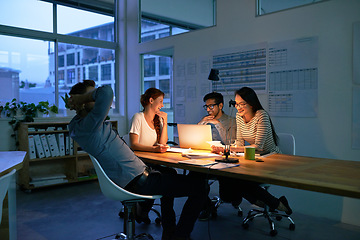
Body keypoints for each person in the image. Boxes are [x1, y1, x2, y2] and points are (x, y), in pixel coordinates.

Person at [67, 80, 208, 240]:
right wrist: (81, 99)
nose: (97, 99)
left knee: (169, 173)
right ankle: (180, 236)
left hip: (132, 178)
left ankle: (168, 232)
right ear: (83, 103)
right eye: (91, 96)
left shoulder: (78, 126)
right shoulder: (90, 125)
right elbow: (106, 92)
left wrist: (81, 100)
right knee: (200, 188)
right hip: (138, 180)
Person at [212, 87, 292, 215]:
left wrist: (229, 148)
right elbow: (239, 142)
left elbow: (259, 146)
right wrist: (227, 149)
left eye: (242, 104)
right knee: (230, 175)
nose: (238, 107)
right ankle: (274, 203)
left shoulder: (261, 115)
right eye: (237, 104)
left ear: (251, 103)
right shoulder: (239, 116)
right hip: (254, 158)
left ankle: (276, 204)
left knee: (241, 180)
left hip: (270, 158)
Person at [129, 88, 168, 153]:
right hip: (138, 158)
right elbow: (133, 144)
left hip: (151, 157)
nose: (162, 105)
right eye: (160, 101)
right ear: (151, 100)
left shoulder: (158, 119)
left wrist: (165, 122)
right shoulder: (138, 117)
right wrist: (154, 149)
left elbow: (162, 143)